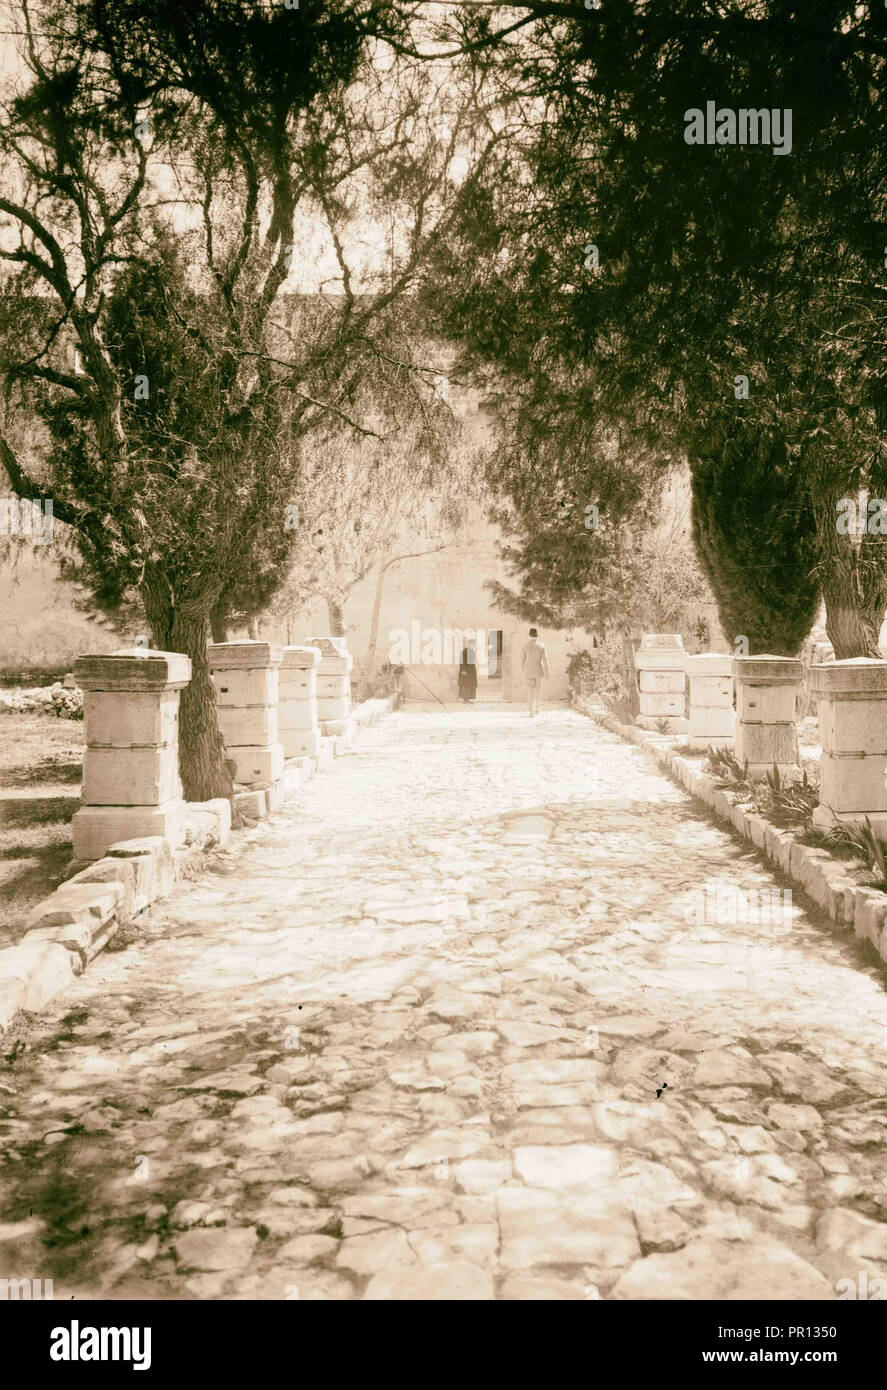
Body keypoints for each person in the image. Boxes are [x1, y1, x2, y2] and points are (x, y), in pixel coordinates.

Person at [521, 627, 550, 715]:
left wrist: (523, 670)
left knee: (530, 691)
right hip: (538, 671)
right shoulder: (542, 646)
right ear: (537, 635)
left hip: (528, 671)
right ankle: (537, 709)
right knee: (538, 691)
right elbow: (545, 659)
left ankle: (531, 711)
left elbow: (522, 660)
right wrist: (547, 671)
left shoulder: (525, 646)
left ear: (529, 635)